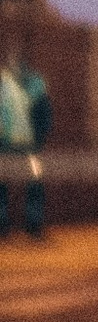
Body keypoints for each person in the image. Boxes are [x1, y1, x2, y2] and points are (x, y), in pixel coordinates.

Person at [0, 55, 42, 237]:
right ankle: (32, 226)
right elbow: (41, 112)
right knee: (34, 182)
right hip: (23, 144)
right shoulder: (31, 86)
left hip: (10, 144)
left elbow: (41, 112)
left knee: (6, 184)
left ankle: (5, 226)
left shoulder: (27, 85)